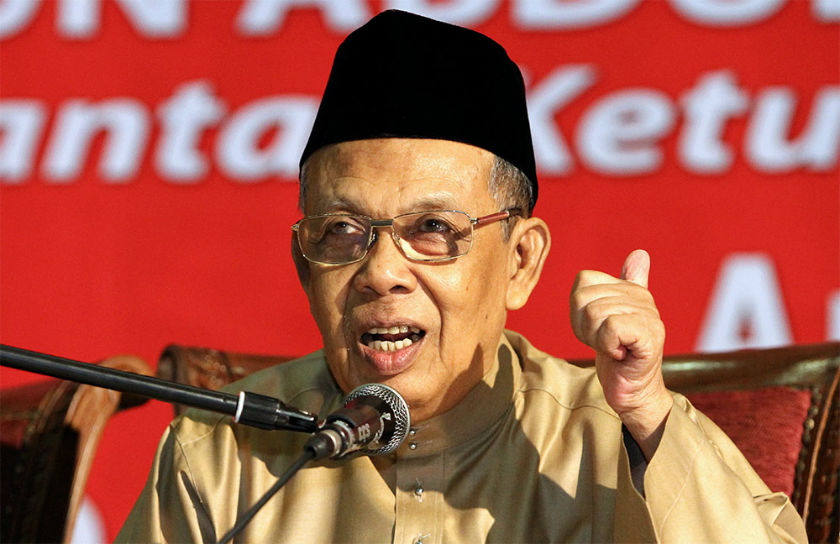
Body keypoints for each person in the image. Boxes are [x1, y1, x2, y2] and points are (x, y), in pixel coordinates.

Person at [118, 10, 807, 543]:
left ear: (520, 261)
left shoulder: (617, 444)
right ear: (305, 264)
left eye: (433, 231)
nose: (381, 271)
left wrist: (647, 416)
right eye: (341, 233)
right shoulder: (223, 455)